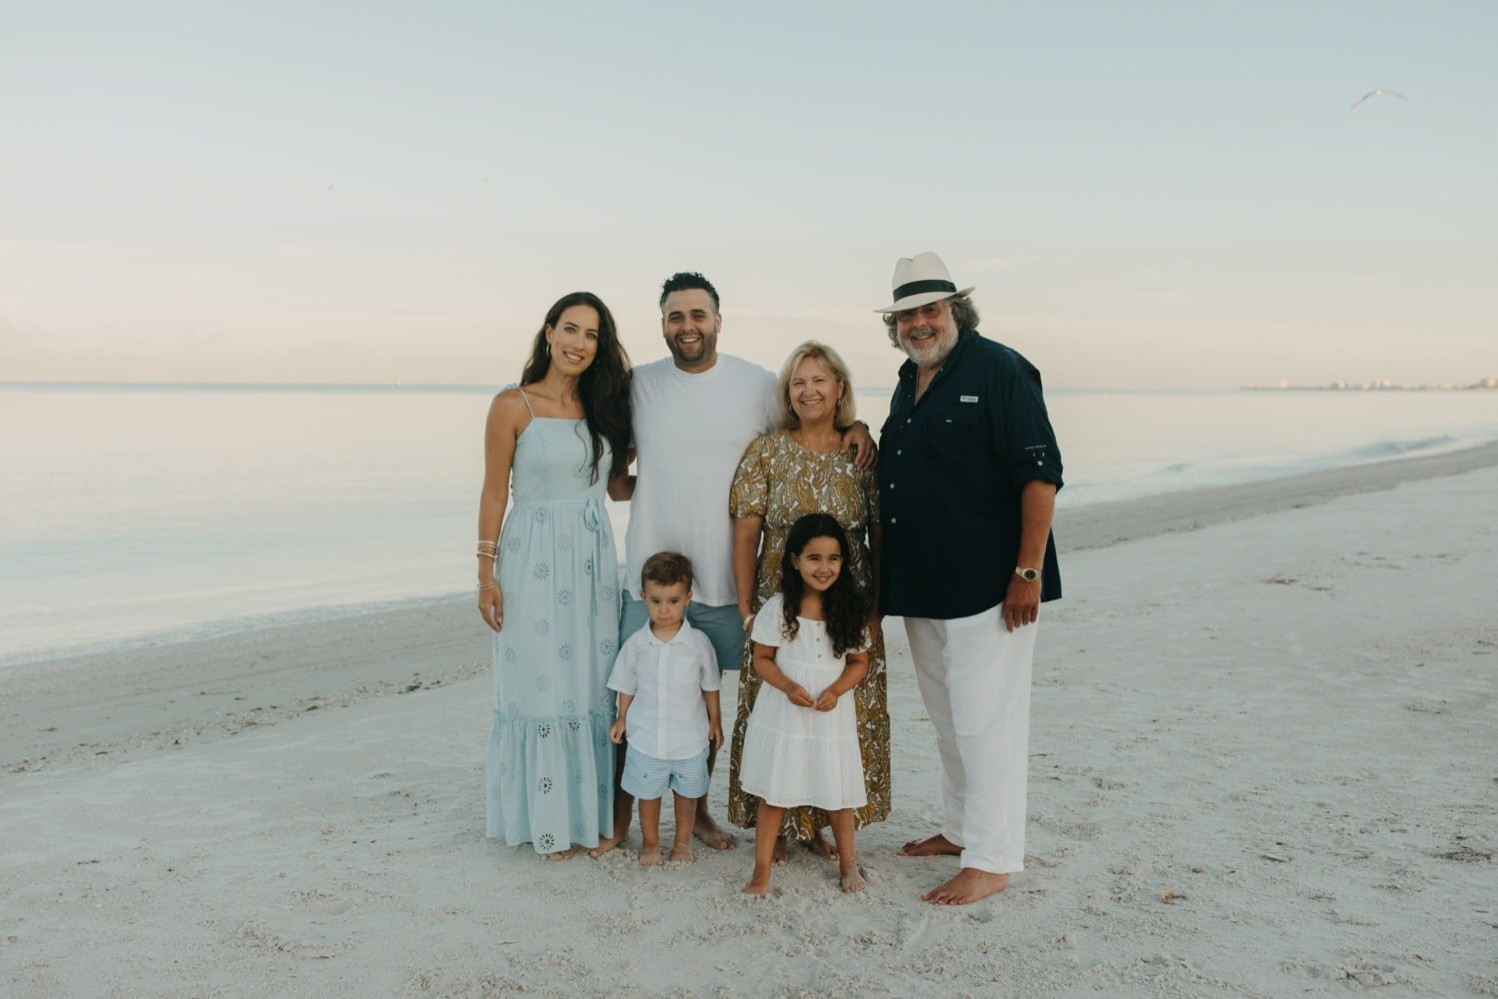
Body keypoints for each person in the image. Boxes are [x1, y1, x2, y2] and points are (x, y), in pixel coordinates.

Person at [591, 272, 876, 856]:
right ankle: (620, 819)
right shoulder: (638, 384)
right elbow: (617, 482)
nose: (687, 326)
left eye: (698, 315)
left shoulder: (755, 385)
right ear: (662, 323)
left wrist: (856, 426)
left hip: (730, 583)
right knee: (635, 699)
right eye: (675, 316)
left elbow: (805, 429)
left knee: (707, 703)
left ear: (719, 320)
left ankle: (696, 815)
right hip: (651, 581)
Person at [874, 252, 1064, 905]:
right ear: (895, 322)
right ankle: (960, 829)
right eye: (908, 313)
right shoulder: (909, 379)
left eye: (931, 309)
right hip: (925, 585)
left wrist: (1028, 569)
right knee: (950, 717)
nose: (920, 322)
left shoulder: (1002, 369)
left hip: (991, 585)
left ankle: (992, 857)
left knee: (987, 721)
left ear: (956, 310)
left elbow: (1040, 473)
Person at [477, 290, 633, 859]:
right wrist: (484, 574)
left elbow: (615, 488)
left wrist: (680, 481)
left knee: (588, 683)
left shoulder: (604, 408)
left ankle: (588, 818)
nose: (580, 344)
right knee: (538, 682)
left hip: (591, 563)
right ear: (549, 333)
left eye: (592, 336)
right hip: (532, 560)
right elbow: (495, 493)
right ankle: (543, 820)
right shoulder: (512, 405)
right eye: (571, 330)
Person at [726, 341, 890, 863]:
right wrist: (747, 607)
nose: (809, 390)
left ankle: (820, 827)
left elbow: (882, 535)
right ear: (788, 393)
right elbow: (745, 534)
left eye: (820, 380)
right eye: (799, 382)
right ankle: (776, 830)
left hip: (847, 613)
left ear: (840, 388)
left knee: (837, 716)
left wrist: (877, 609)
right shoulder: (767, 451)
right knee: (780, 715)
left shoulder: (860, 453)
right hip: (783, 611)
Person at [740, 514, 870, 896]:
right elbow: (761, 659)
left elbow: (859, 663)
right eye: (814, 558)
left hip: (831, 712)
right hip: (786, 710)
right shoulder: (779, 608)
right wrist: (787, 685)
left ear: (843, 563)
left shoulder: (848, 611)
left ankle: (848, 865)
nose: (824, 567)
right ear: (795, 560)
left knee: (837, 791)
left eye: (833, 558)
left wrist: (838, 689)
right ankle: (761, 871)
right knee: (774, 791)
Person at [605, 552, 724, 866]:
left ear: (687, 598)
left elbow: (710, 685)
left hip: (689, 737)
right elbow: (626, 685)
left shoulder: (699, 644)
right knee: (649, 793)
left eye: (673, 600)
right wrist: (621, 718)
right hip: (646, 736)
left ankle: (682, 842)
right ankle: (651, 842)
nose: (664, 609)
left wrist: (715, 720)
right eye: (656, 601)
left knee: (687, 796)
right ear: (643, 597)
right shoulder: (636, 644)